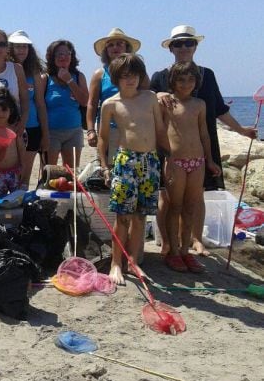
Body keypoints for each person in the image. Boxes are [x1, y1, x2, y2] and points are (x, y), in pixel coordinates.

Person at [150, 25, 257, 256]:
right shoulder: (159, 77)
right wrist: (157, 94)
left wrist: (241, 130)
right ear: (171, 49)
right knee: (166, 198)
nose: (184, 47)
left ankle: (195, 240)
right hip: (169, 150)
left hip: (202, 146)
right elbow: (144, 101)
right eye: (178, 43)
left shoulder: (207, 75)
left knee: (198, 197)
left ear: (195, 46)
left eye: (189, 43)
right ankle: (168, 242)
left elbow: (219, 108)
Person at [99, 54, 169, 285]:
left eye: (135, 75)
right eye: (126, 76)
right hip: (125, 160)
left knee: (140, 216)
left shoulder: (150, 98)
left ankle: (133, 262)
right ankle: (115, 263)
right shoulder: (110, 104)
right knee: (123, 216)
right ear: (117, 78)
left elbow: (159, 130)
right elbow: (103, 139)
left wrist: (169, 156)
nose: (131, 80)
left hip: (150, 161)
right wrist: (105, 166)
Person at [160, 62, 221, 273]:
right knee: (174, 206)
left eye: (190, 79)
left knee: (190, 207)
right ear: (172, 82)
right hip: (175, 162)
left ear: (197, 82)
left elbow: (204, 134)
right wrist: (159, 94)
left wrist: (210, 160)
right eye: (181, 79)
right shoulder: (166, 102)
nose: (186, 84)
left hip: (198, 162)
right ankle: (173, 251)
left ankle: (186, 251)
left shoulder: (200, 104)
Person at [87, 28, 144, 164]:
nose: (115, 47)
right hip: (109, 130)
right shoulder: (100, 74)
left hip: (134, 128)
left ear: (127, 47)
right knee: (109, 169)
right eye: (111, 45)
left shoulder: (139, 72)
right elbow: (92, 104)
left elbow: (147, 95)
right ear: (106, 50)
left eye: (119, 43)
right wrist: (90, 130)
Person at [8, 30, 49, 182]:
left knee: (24, 175)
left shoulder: (34, 73)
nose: (21, 50)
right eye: (17, 46)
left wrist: (45, 134)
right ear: (10, 48)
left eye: (24, 46)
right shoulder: (5, 69)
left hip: (32, 127)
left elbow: (40, 104)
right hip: (8, 128)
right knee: (8, 173)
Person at [44, 40, 89, 169]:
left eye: (67, 53)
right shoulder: (45, 78)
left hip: (74, 131)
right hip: (52, 132)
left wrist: (69, 80)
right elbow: (40, 106)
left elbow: (85, 101)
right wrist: (44, 133)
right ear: (52, 57)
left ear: (72, 56)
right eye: (59, 54)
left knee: (71, 174)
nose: (63, 57)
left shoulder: (79, 76)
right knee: (49, 172)